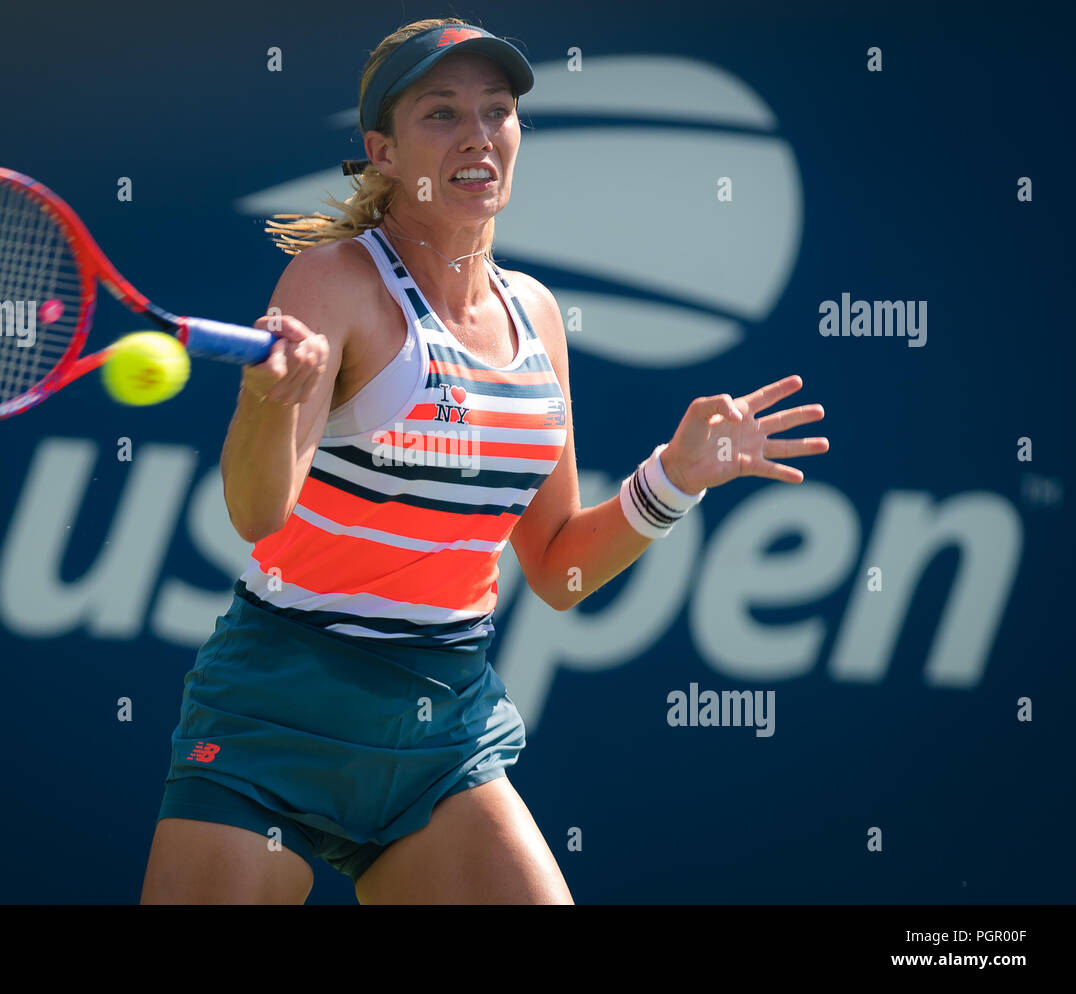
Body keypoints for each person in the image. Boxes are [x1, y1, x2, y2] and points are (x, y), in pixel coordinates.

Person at [139, 17, 828, 905]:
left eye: (497, 111)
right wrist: (268, 400)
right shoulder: (334, 283)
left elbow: (557, 569)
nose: (477, 134)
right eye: (440, 113)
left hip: (441, 729)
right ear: (382, 150)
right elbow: (257, 514)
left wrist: (676, 479)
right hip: (277, 710)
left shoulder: (537, 315)